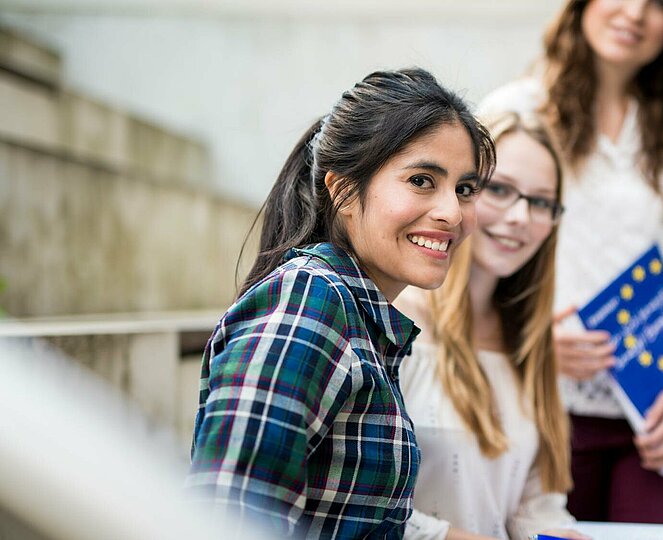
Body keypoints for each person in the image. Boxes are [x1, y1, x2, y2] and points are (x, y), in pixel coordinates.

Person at [186, 68, 496, 539]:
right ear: (343, 189)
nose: (452, 212)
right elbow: (231, 512)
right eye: (421, 180)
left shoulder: (360, 318)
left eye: (465, 189)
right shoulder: (310, 301)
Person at [479, 0, 663, 525]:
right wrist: (531, 341)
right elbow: (471, 246)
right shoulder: (518, 111)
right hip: (540, 406)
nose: (636, 13)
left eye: (662, 4)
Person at [395, 111, 587, 540]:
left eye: (540, 202)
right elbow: (361, 510)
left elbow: (535, 509)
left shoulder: (532, 344)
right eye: (499, 190)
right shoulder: (396, 324)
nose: (521, 216)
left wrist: (558, 534)